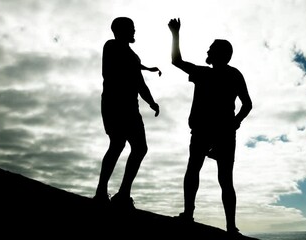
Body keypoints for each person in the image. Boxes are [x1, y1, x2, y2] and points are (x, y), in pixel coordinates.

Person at [168, 18, 252, 236]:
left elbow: (176, 61)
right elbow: (247, 104)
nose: (208, 50)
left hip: (212, 131)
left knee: (203, 173)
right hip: (216, 131)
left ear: (220, 54)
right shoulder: (224, 73)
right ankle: (229, 227)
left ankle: (192, 215)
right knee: (221, 178)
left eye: (212, 49)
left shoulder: (208, 73)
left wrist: (175, 33)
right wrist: (236, 121)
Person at [93, 16, 160, 211]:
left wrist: (151, 101)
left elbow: (139, 82)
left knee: (138, 148)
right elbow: (124, 72)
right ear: (120, 30)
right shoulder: (112, 46)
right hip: (116, 104)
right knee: (118, 144)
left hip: (130, 107)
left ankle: (122, 193)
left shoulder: (131, 55)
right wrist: (143, 68)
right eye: (131, 28)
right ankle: (102, 191)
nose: (134, 32)